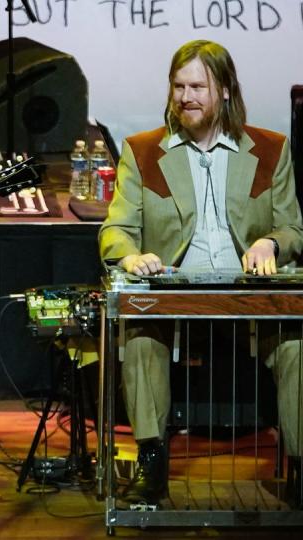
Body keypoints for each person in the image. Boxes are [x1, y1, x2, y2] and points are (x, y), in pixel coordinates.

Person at [99, 39, 303, 506]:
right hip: (176, 298)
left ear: (226, 90)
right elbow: (117, 230)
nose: (186, 96)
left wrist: (271, 242)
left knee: (297, 346)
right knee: (141, 339)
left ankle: (300, 470)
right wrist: (131, 257)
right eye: (178, 86)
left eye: (198, 86)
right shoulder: (144, 151)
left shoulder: (270, 150)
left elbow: (292, 227)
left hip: (248, 297)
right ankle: (151, 465)